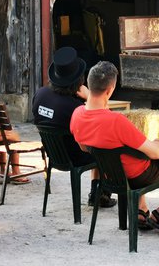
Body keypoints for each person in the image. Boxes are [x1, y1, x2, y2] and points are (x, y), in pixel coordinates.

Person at [70, 61, 159, 236]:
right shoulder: (116, 122)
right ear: (109, 91)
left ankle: (141, 211)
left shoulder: (77, 115)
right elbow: (155, 153)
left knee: (130, 154)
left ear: (88, 85)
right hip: (141, 176)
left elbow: (85, 148)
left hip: (112, 176)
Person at [32, 46, 116, 208]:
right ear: (79, 80)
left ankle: (98, 193)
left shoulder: (40, 94)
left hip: (54, 154)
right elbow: (108, 122)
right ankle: (99, 193)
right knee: (105, 146)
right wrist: (91, 97)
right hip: (75, 157)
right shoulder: (75, 107)